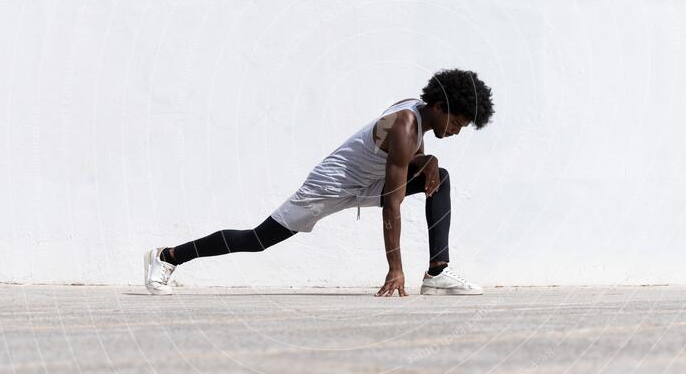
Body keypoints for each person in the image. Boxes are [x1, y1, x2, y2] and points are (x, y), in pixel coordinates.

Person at [144, 68, 495, 297]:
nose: (457, 131)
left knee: (441, 178)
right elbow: (392, 202)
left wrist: (430, 161)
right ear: (438, 106)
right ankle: (167, 256)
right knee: (258, 240)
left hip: (366, 183)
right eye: (457, 122)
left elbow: (402, 162)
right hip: (330, 185)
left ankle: (437, 272)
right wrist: (395, 269)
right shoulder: (405, 124)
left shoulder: (416, 118)